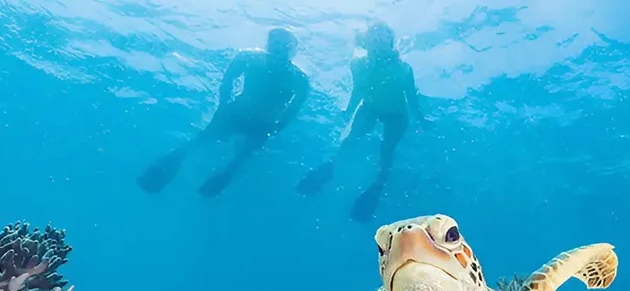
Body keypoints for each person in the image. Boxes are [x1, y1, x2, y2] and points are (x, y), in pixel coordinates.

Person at [137, 28, 310, 197]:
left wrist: (277, 128)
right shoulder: (250, 58)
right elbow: (229, 78)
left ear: (294, 50)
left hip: (261, 123)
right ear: (267, 44)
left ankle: (224, 175)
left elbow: (293, 109)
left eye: (284, 44)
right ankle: (165, 169)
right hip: (236, 113)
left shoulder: (299, 79)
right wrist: (224, 104)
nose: (278, 47)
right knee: (200, 141)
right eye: (275, 42)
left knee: (242, 155)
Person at [295, 21, 433, 222]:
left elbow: (411, 97)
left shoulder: (403, 68)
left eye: (382, 38)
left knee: (387, 150)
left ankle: (376, 188)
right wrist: (348, 110)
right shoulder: (357, 64)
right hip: (369, 108)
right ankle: (329, 168)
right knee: (349, 139)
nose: (377, 41)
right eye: (373, 37)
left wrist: (421, 119)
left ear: (391, 43)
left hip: (397, 114)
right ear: (366, 42)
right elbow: (358, 89)